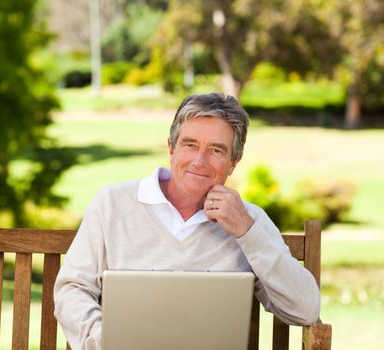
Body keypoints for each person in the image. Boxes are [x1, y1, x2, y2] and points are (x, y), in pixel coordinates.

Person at [54, 93, 320, 350]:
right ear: (171, 148)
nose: (199, 161)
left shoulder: (249, 220)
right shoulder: (113, 204)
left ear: (233, 164)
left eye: (216, 150)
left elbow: (306, 311)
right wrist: (106, 344)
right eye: (190, 145)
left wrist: (247, 232)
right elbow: (72, 289)